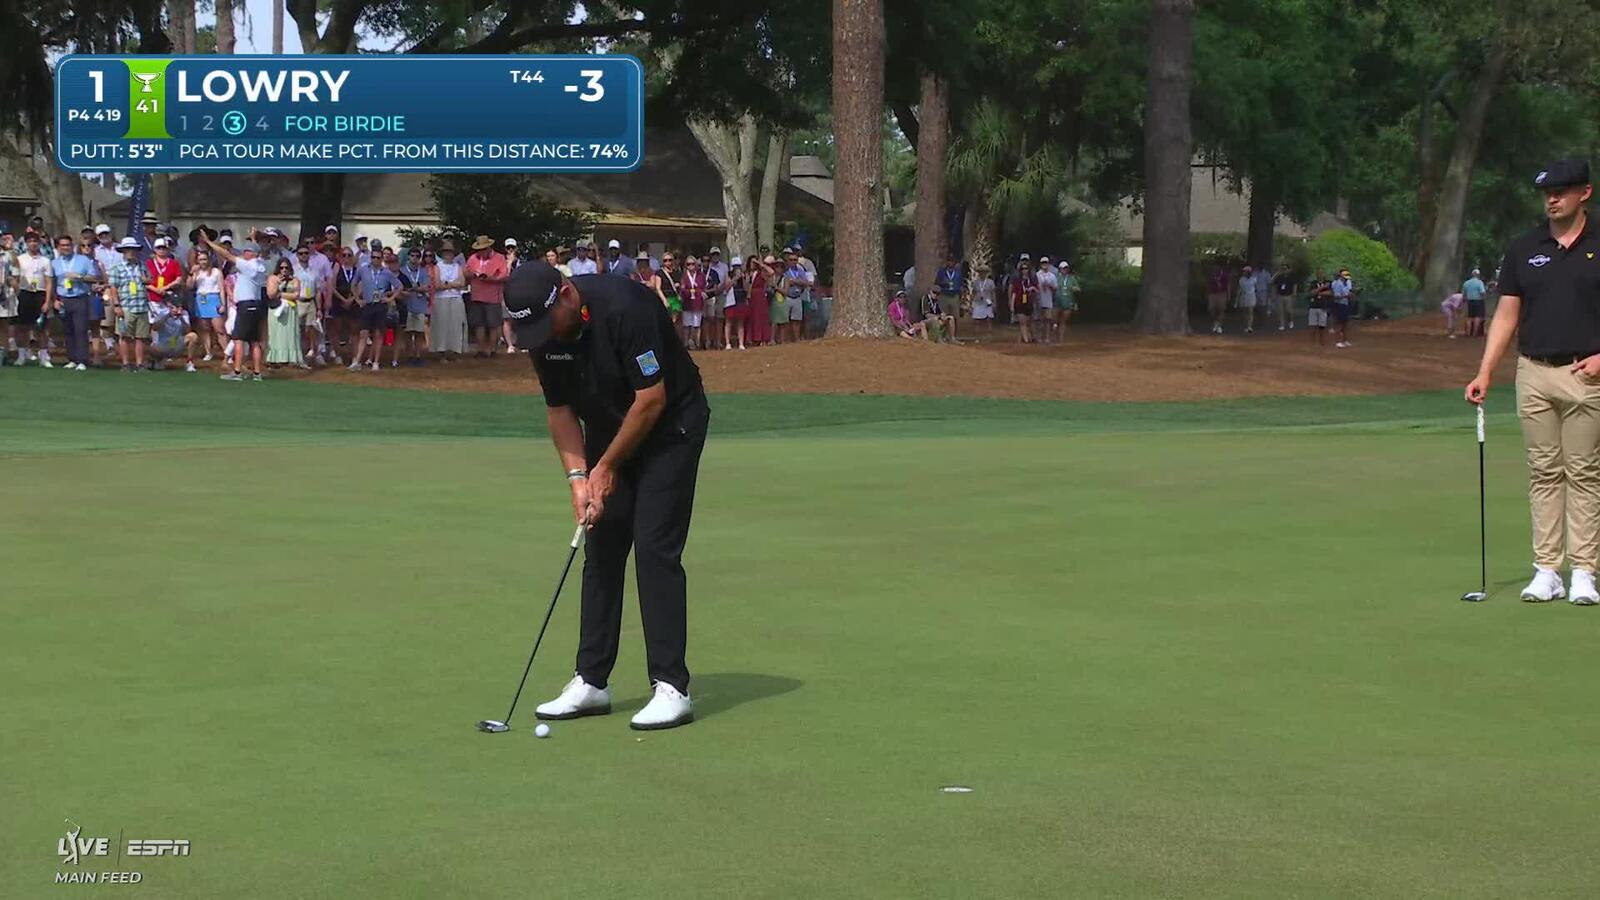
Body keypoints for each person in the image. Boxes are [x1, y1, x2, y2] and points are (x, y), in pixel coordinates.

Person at [507, 262, 710, 731]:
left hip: (670, 428)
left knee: (654, 546)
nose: (541, 336)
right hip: (609, 428)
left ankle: (671, 686)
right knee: (602, 542)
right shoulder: (545, 337)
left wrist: (608, 466)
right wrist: (580, 480)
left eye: (544, 322)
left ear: (566, 295)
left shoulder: (627, 308)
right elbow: (559, 411)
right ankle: (591, 680)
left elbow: (652, 399)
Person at [1466, 157, 1600, 605]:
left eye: (1561, 191)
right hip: (1534, 372)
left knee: (1583, 472)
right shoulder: (1525, 247)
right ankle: (1547, 570)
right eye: (1546, 192)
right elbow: (1507, 313)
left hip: (1587, 373)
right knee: (1544, 471)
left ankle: (1583, 570)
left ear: (1585, 193)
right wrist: (1486, 370)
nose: (1552, 199)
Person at [203, 231, 271, 381]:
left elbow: (226, 254)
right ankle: (257, 373)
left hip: (245, 306)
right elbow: (257, 252)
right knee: (254, 341)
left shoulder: (248, 266)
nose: (244, 254)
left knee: (238, 339)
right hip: (257, 305)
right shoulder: (261, 265)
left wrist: (209, 243)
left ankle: (237, 371)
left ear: (251, 253)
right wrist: (253, 239)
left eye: (246, 251)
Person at [47, 234, 99, 370]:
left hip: (80, 298)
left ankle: (82, 360)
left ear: (73, 246)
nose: (66, 248)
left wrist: (80, 277)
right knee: (68, 330)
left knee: (81, 329)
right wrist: (55, 300)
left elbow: (94, 277)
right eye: (62, 245)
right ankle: (72, 359)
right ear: (58, 247)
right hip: (63, 299)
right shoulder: (54, 263)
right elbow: (51, 283)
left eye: (68, 245)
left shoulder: (83, 260)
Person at [105, 237, 149, 371]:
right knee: (124, 336)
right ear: (123, 251)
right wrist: (117, 306)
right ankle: (125, 363)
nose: (131, 252)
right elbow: (113, 288)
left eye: (134, 250)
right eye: (128, 249)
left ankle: (140, 364)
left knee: (140, 337)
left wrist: (146, 279)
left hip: (141, 304)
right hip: (126, 305)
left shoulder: (142, 265)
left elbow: (150, 280)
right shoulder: (116, 268)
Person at [14, 232, 52, 366]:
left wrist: (47, 301)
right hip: (24, 293)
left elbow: (48, 282)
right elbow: (16, 278)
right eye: (30, 241)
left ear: (39, 243)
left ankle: (43, 357)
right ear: (26, 243)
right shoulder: (20, 259)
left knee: (42, 328)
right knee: (22, 327)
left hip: (40, 294)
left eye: (35, 241)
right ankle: (22, 356)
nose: (33, 244)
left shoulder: (45, 261)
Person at [466, 235, 508, 357]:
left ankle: (492, 349)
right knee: (478, 323)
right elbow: (466, 272)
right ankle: (481, 349)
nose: (481, 251)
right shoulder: (473, 258)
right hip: (477, 295)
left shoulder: (499, 258)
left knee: (493, 324)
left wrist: (490, 278)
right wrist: (471, 274)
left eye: (483, 249)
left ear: (489, 248)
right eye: (479, 249)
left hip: (493, 296)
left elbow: (504, 275)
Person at [347, 248, 387, 371]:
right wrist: (357, 299)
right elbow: (353, 284)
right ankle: (357, 361)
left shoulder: (386, 272)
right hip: (367, 305)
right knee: (363, 333)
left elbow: (399, 286)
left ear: (381, 259)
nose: (375, 259)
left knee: (378, 334)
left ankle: (376, 362)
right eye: (373, 257)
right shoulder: (363, 270)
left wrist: (389, 298)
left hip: (380, 305)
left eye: (378, 257)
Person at [431, 241, 468, 360]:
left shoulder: (457, 266)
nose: (448, 254)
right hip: (441, 299)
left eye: (450, 252)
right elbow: (437, 285)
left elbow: (462, 283)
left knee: (457, 324)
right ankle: (441, 351)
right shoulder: (437, 267)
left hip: (456, 297)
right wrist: (453, 284)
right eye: (446, 252)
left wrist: (447, 284)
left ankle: (456, 350)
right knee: (442, 325)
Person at [266, 258, 306, 368]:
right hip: (277, 310)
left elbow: (296, 295)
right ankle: (275, 359)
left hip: (290, 310)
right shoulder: (272, 278)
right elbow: (270, 294)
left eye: (286, 268)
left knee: (290, 334)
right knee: (276, 334)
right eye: (281, 268)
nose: (284, 270)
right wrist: (279, 285)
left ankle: (290, 358)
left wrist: (280, 294)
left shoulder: (295, 280)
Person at [147, 289, 200, 372]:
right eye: (176, 305)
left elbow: (187, 331)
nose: (178, 307)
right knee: (150, 346)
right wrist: (168, 316)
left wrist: (181, 318)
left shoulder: (184, 314)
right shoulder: (162, 312)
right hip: (162, 345)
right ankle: (157, 361)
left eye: (179, 305)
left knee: (193, 336)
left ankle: (189, 362)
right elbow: (155, 327)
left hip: (176, 344)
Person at [399, 248, 430, 366]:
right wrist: (417, 288)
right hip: (407, 305)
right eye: (413, 255)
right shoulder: (402, 271)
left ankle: (418, 356)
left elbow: (426, 287)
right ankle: (409, 356)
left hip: (420, 305)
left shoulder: (423, 271)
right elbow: (400, 287)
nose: (415, 258)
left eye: (417, 256)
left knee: (419, 332)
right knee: (407, 332)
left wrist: (414, 288)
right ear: (408, 257)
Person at [780, 247, 813, 344]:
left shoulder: (800, 270)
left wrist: (794, 281)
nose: (793, 262)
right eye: (791, 260)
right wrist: (798, 282)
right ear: (787, 260)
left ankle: (796, 339)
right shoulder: (784, 270)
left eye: (795, 260)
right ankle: (784, 340)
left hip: (798, 296)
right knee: (785, 320)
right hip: (787, 297)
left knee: (797, 320)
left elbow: (807, 282)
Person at [679, 254, 707, 350]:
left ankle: (697, 343)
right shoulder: (684, 276)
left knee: (697, 325)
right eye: (688, 264)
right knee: (687, 325)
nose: (691, 265)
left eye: (692, 263)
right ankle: (686, 343)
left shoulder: (701, 275)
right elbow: (683, 290)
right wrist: (693, 291)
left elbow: (702, 288)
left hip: (698, 302)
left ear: (696, 264)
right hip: (687, 303)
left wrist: (694, 291)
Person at [1009, 258, 1038, 343]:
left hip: (1029, 302)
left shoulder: (1032, 280)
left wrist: (1033, 288)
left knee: (1029, 321)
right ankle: (1026, 340)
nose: (1024, 270)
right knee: (1022, 322)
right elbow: (1014, 292)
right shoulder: (1017, 281)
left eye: (1026, 268)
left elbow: (1038, 291)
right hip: (1019, 302)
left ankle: (1028, 337)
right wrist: (1011, 304)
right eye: (1023, 269)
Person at [723, 256, 748, 350]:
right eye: (735, 266)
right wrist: (734, 279)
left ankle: (741, 343)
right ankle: (727, 343)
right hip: (730, 301)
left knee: (740, 322)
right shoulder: (728, 275)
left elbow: (746, 289)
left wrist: (743, 278)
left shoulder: (743, 275)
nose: (737, 268)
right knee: (728, 322)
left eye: (738, 266)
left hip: (740, 300)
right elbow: (726, 288)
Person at [1330, 268, 1355, 347]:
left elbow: (1348, 293)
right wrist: (1346, 296)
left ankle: (1345, 340)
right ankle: (1338, 341)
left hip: (1345, 304)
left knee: (1345, 324)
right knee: (1339, 324)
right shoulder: (1338, 284)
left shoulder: (1345, 284)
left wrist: (1350, 296)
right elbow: (1336, 296)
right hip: (1339, 305)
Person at [1307, 271, 1331, 346]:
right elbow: (1311, 293)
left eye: (1321, 273)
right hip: (1313, 306)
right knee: (1312, 325)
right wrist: (1323, 288)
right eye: (1318, 273)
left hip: (1323, 307)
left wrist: (1318, 293)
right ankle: (1312, 342)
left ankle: (1322, 341)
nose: (1320, 275)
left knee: (1322, 326)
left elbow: (1330, 293)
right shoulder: (1313, 283)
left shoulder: (1328, 283)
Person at [970, 264, 995, 335]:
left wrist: (994, 303)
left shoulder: (990, 282)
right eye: (981, 272)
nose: (982, 274)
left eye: (984, 272)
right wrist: (971, 303)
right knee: (976, 320)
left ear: (986, 273)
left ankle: (989, 334)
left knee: (988, 319)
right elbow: (973, 293)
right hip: (977, 302)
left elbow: (993, 293)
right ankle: (976, 334)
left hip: (988, 302)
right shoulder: (976, 282)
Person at [1056, 260, 1080, 335]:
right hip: (1057, 302)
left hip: (1068, 301)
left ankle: (1061, 338)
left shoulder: (1072, 278)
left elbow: (1079, 289)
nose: (1065, 270)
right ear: (1060, 269)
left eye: (1066, 268)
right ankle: (1054, 336)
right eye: (1063, 268)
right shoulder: (1056, 277)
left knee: (1063, 321)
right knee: (1055, 321)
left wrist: (1075, 288)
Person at [1463, 268, 1488, 337]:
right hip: (1478, 301)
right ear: (1478, 275)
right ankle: (1474, 333)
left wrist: (1465, 301)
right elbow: (1482, 292)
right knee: (1477, 317)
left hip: (1469, 301)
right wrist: (1484, 299)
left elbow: (1464, 294)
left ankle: (1468, 333)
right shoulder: (1479, 282)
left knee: (1469, 317)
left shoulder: (1466, 283)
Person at [1271, 265, 1297, 331]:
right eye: (1283, 269)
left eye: (1285, 269)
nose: (1284, 270)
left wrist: (1294, 293)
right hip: (1280, 295)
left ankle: (1290, 321)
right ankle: (1282, 324)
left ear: (1288, 269)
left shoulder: (1291, 277)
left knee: (1288, 310)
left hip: (1288, 295)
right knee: (1280, 311)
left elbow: (1295, 285)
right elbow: (1273, 284)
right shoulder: (1278, 277)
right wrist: (1274, 294)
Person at [1206, 262, 1230, 334]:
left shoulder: (1224, 274)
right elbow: (1208, 284)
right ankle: (1215, 322)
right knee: (1211, 309)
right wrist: (1207, 293)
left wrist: (1229, 295)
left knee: (1221, 310)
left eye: (1216, 266)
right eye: (1214, 267)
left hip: (1222, 293)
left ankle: (1219, 326)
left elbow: (1228, 285)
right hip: (1213, 293)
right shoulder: (1211, 275)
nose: (1215, 268)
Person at [1236, 264, 1258, 333]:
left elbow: (1256, 288)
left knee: (1250, 311)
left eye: (1245, 271)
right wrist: (1237, 299)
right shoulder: (1241, 279)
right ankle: (1246, 326)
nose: (1244, 272)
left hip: (1251, 296)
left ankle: (1249, 327)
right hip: (1244, 296)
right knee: (1245, 312)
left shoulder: (1254, 279)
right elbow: (1239, 289)